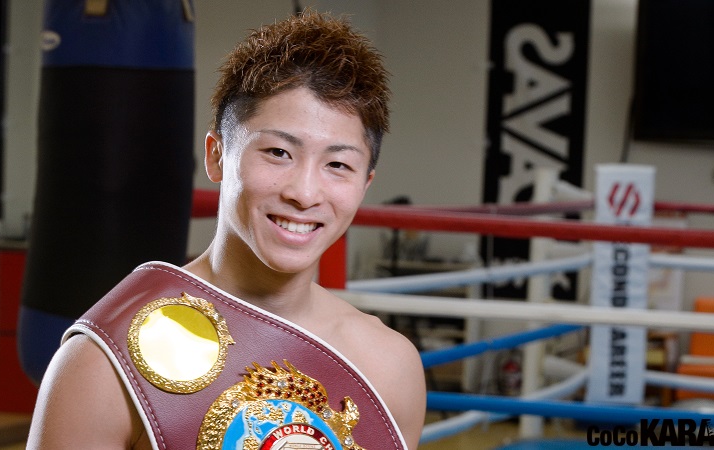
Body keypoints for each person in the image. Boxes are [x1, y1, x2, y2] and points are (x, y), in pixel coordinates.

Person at [27, 10, 426, 450]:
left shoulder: (389, 367)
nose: (304, 192)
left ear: (365, 184)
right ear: (216, 156)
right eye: (278, 152)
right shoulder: (104, 362)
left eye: (337, 164)